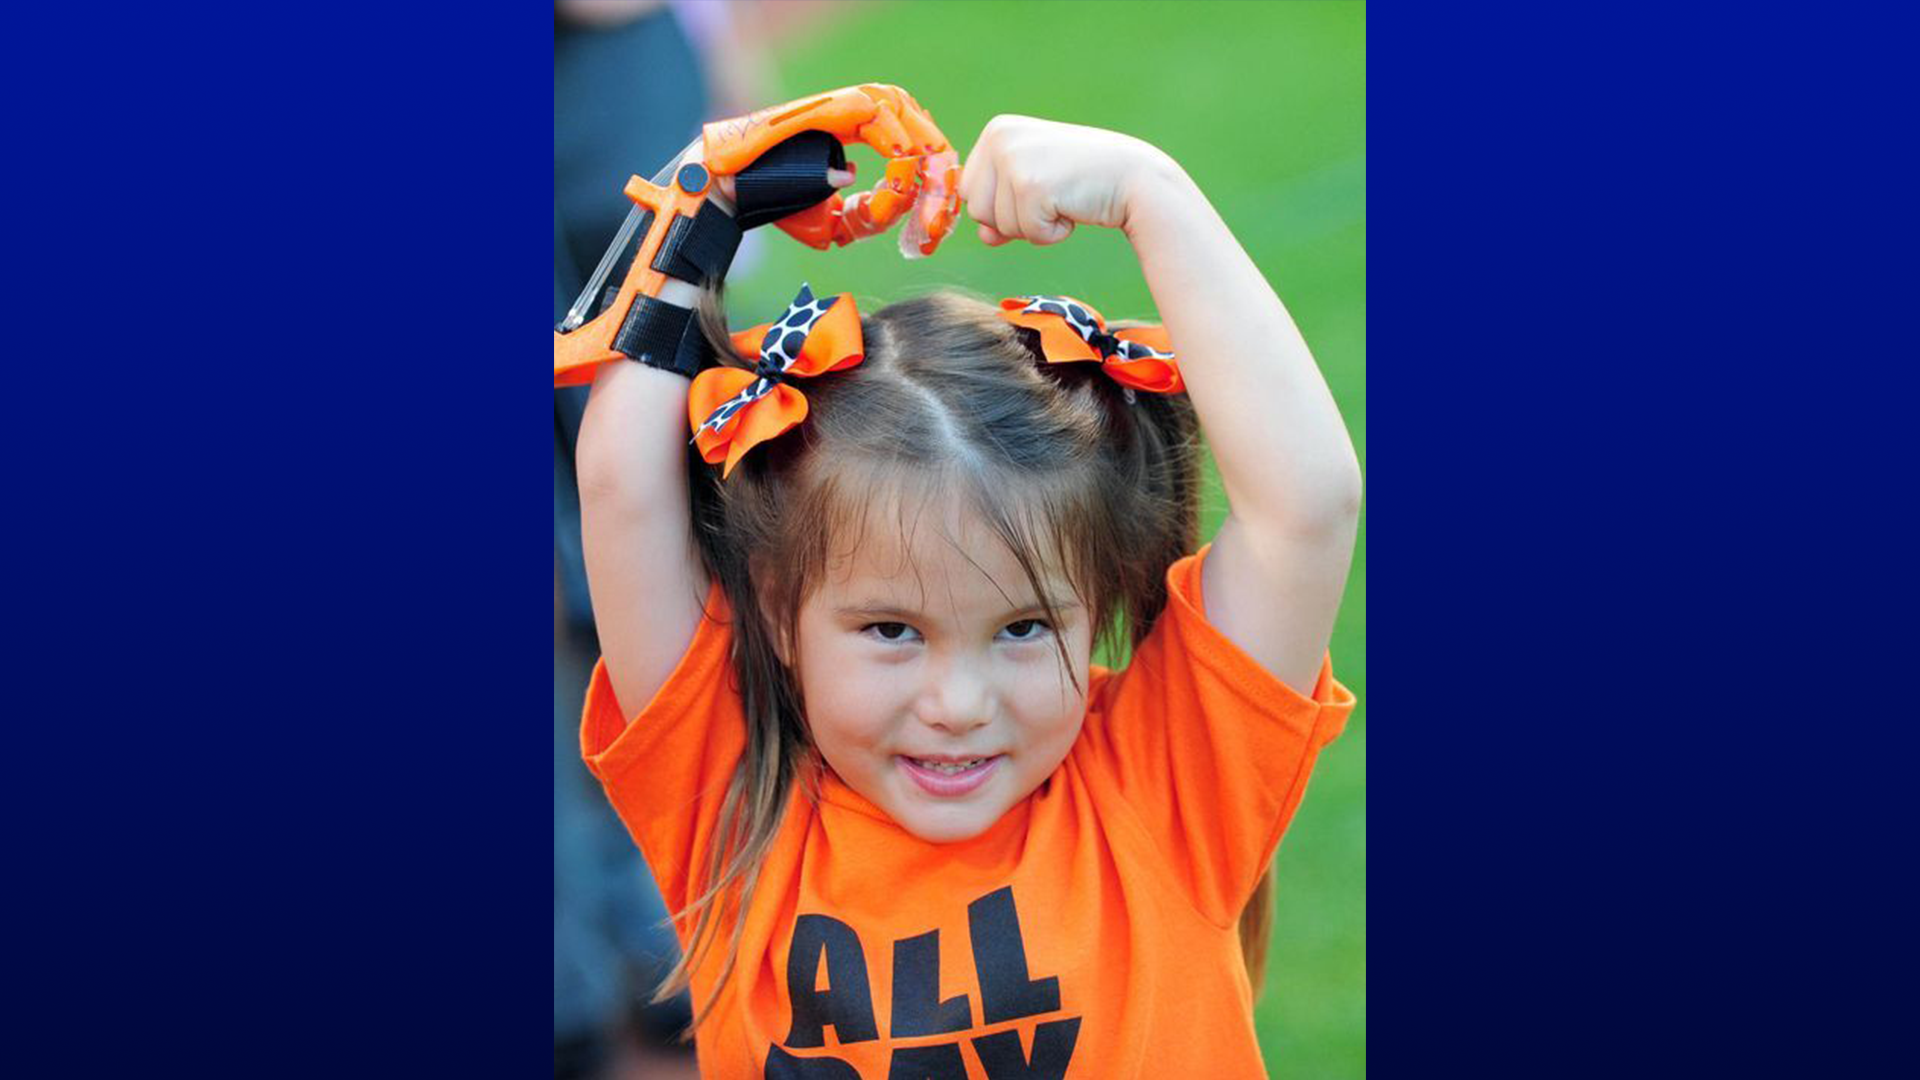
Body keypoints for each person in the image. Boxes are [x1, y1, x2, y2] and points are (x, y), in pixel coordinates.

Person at [568, 109, 1361, 1076]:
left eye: (1025, 627)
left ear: (1098, 599)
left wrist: (1151, 194)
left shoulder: (1164, 787)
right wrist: (701, 195)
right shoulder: (736, 802)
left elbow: (1307, 506)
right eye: (893, 629)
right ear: (778, 613)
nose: (959, 705)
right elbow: (619, 486)